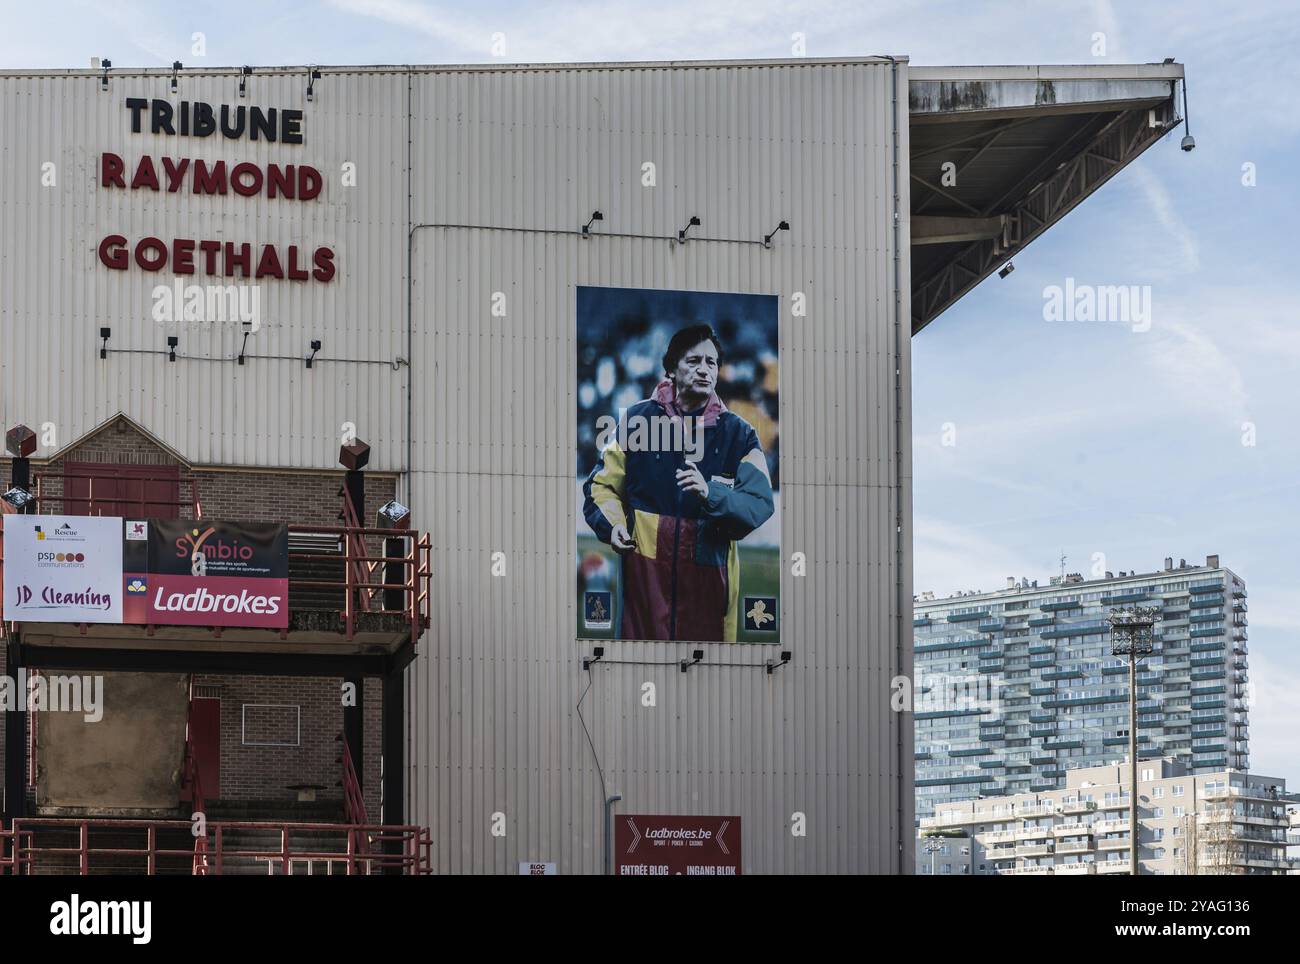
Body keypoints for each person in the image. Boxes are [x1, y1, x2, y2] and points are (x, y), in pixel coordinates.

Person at [583, 324, 774, 641]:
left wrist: (711, 494)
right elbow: (600, 487)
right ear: (671, 369)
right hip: (642, 598)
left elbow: (759, 503)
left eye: (711, 363)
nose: (704, 370)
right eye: (694, 361)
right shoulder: (635, 421)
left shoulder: (740, 435)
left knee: (706, 687)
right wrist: (613, 525)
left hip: (709, 600)